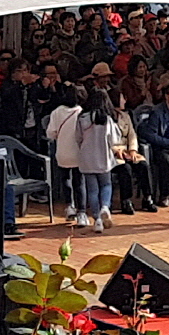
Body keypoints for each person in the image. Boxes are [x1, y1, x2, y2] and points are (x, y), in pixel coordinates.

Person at [75, 92, 124, 231]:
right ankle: (105, 207)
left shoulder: (82, 118)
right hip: (103, 157)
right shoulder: (106, 119)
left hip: (87, 158)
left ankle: (97, 220)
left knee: (92, 189)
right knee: (106, 185)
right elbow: (114, 140)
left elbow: (77, 138)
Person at [44, 86, 86, 219]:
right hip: (79, 153)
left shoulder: (57, 112)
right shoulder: (82, 112)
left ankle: (69, 206)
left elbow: (50, 133)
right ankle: (82, 212)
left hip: (62, 152)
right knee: (79, 181)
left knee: (66, 179)